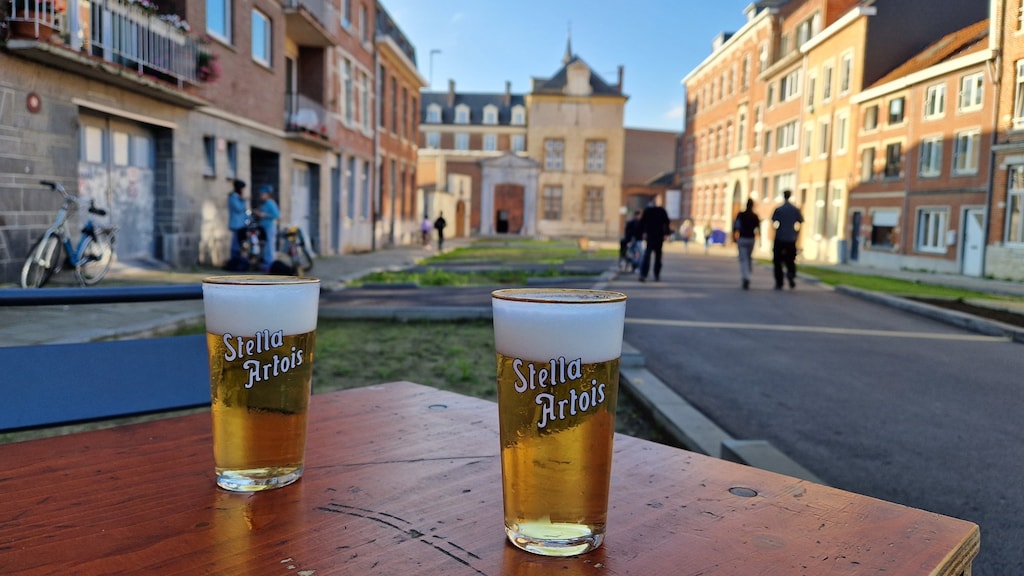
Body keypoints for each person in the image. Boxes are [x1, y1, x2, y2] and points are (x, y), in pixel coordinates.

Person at [771, 189, 804, 290]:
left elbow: (773, 222)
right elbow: (800, 221)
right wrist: (796, 233)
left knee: (777, 261)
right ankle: (791, 273)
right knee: (791, 259)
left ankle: (779, 282)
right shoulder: (795, 209)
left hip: (780, 237)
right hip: (791, 238)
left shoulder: (779, 209)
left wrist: (777, 231)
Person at [638, 199, 671, 282]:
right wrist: (643, 232)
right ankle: (643, 274)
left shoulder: (662, 211)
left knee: (658, 257)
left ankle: (656, 274)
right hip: (650, 236)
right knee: (647, 256)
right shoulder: (648, 210)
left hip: (659, 237)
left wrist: (666, 234)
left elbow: (666, 222)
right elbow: (642, 222)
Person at [733, 198, 760, 290]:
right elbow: (757, 228)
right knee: (748, 257)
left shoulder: (741, 215)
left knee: (743, 259)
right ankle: (748, 274)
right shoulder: (754, 216)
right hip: (751, 239)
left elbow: (736, 226)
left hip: (742, 238)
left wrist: (734, 237)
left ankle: (746, 277)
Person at [255, 184, 280, 270]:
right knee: (265, 246)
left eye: (262, 194)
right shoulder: (264, 203)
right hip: (264, 227)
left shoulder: (270, 203)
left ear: (267, 194)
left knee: (270, 245)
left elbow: (277, 215)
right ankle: (266, 263)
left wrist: (264, 215)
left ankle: (270, 264)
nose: (261, 196)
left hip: (270, 227)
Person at [227, 179, 248, 263]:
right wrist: (244, 201)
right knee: (235, 243)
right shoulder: (233, 197)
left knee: (240, 243)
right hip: (236, 223)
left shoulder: (238, 197)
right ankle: (234, 260)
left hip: (241, 224)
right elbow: (238, 208)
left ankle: (238, 259)